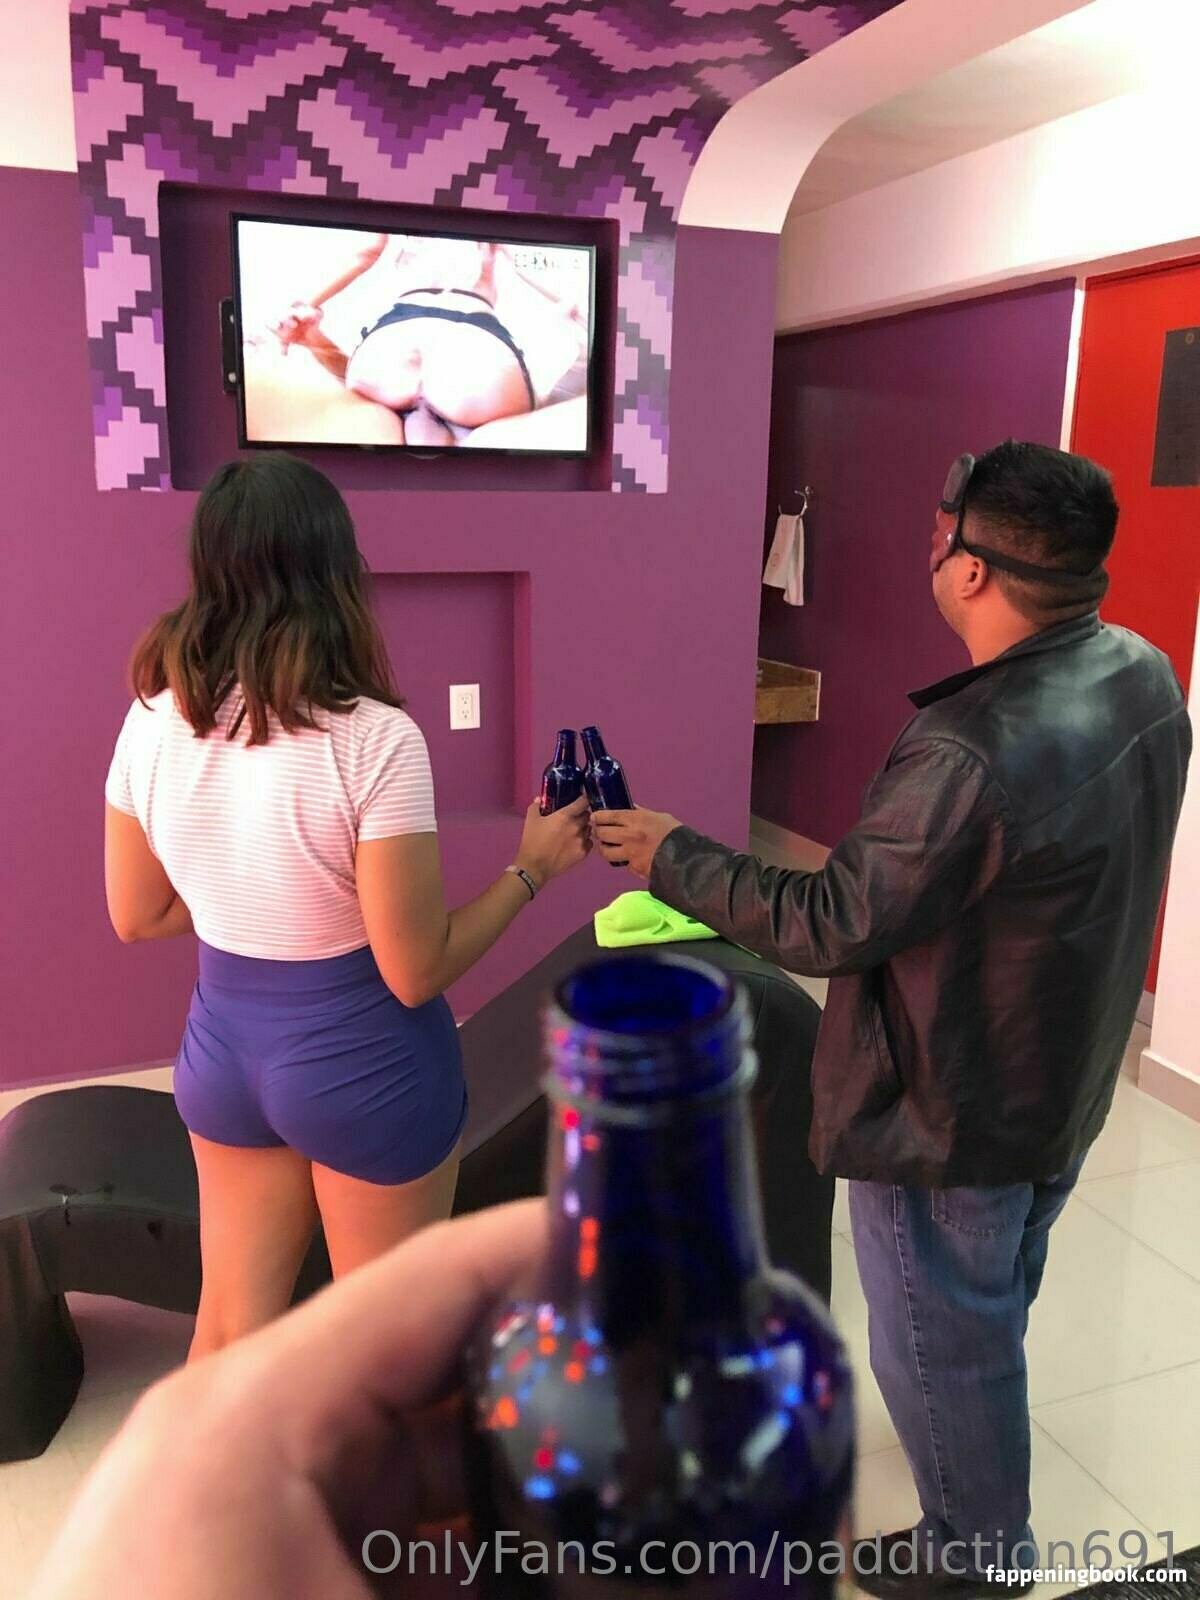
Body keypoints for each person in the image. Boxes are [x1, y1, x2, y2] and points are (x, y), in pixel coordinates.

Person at [591, 441, 1192, 1598]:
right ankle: (980, 1504)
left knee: (939, 1341)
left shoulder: (970, 748)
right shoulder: (1145, 672)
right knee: (989, 1304)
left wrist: (669, 853)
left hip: (948, 1112)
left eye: (939, 530)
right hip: (1062, 1079)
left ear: (974, 568)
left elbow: (829, 918)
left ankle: (974, 1553)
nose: (928, 544)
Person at [104, 454, 590, 1359]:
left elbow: (136, 913)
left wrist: (252, 899)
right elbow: (415, 970)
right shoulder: (374, 739)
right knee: (385, 1351)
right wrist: (531, 870)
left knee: (229, 1334)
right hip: (364, 1064)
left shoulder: (152, 717)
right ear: (335, 571)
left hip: (223, 1053)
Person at [24, 1201, 546, 1600]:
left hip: (223, 1084)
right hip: (374, 1092)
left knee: (227, 1332)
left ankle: (195, 1540)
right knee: (396, 1375)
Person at [261, 236, 588, 449]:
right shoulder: (492, 231)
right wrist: (573, 309)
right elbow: (564, 294)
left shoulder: (397, 204)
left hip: (394, 351)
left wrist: (308, 319)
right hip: (473, 349)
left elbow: (365, 253)